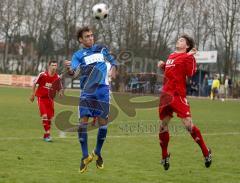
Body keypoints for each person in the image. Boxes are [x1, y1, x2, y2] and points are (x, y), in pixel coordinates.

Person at [64, 26, 117, 173]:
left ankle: (98, 152)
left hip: (102, 90)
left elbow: (113, 61)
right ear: (80, 40)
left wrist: (113, 68)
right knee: (82, 124)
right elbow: (73, 71)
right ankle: (84, 156)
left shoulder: (101, 49)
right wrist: (69, 69)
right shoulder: (78, 55)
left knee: (103, 124)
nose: (90, 38)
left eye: (92, 35)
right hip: (87, 92)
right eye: (87, 36)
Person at [157, 34, 212, 170]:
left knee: (188, 125)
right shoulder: (171, 56)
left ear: (187, 46)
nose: (178, 40)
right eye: (179, 39)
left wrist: (190, 56)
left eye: (182, 40)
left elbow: (191, 72)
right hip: (166, 95)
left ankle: (206, 152)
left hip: (178, 95)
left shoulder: (188, 57)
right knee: (163, 126)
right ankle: (165, 157)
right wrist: (164, 66)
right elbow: (172, 72)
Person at [30, 60, 63, 142]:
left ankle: (46, 135)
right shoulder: (42, 75)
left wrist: (60, 93)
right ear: (49, 66)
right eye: (52, 65)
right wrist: (32, 94)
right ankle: (48, 135)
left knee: (49, 118)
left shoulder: (57, 77)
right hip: (41, 98)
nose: (54, 67)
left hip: (50, 99)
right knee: (44, 116)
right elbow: (34, 83)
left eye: (55, 65)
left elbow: (60, 87)